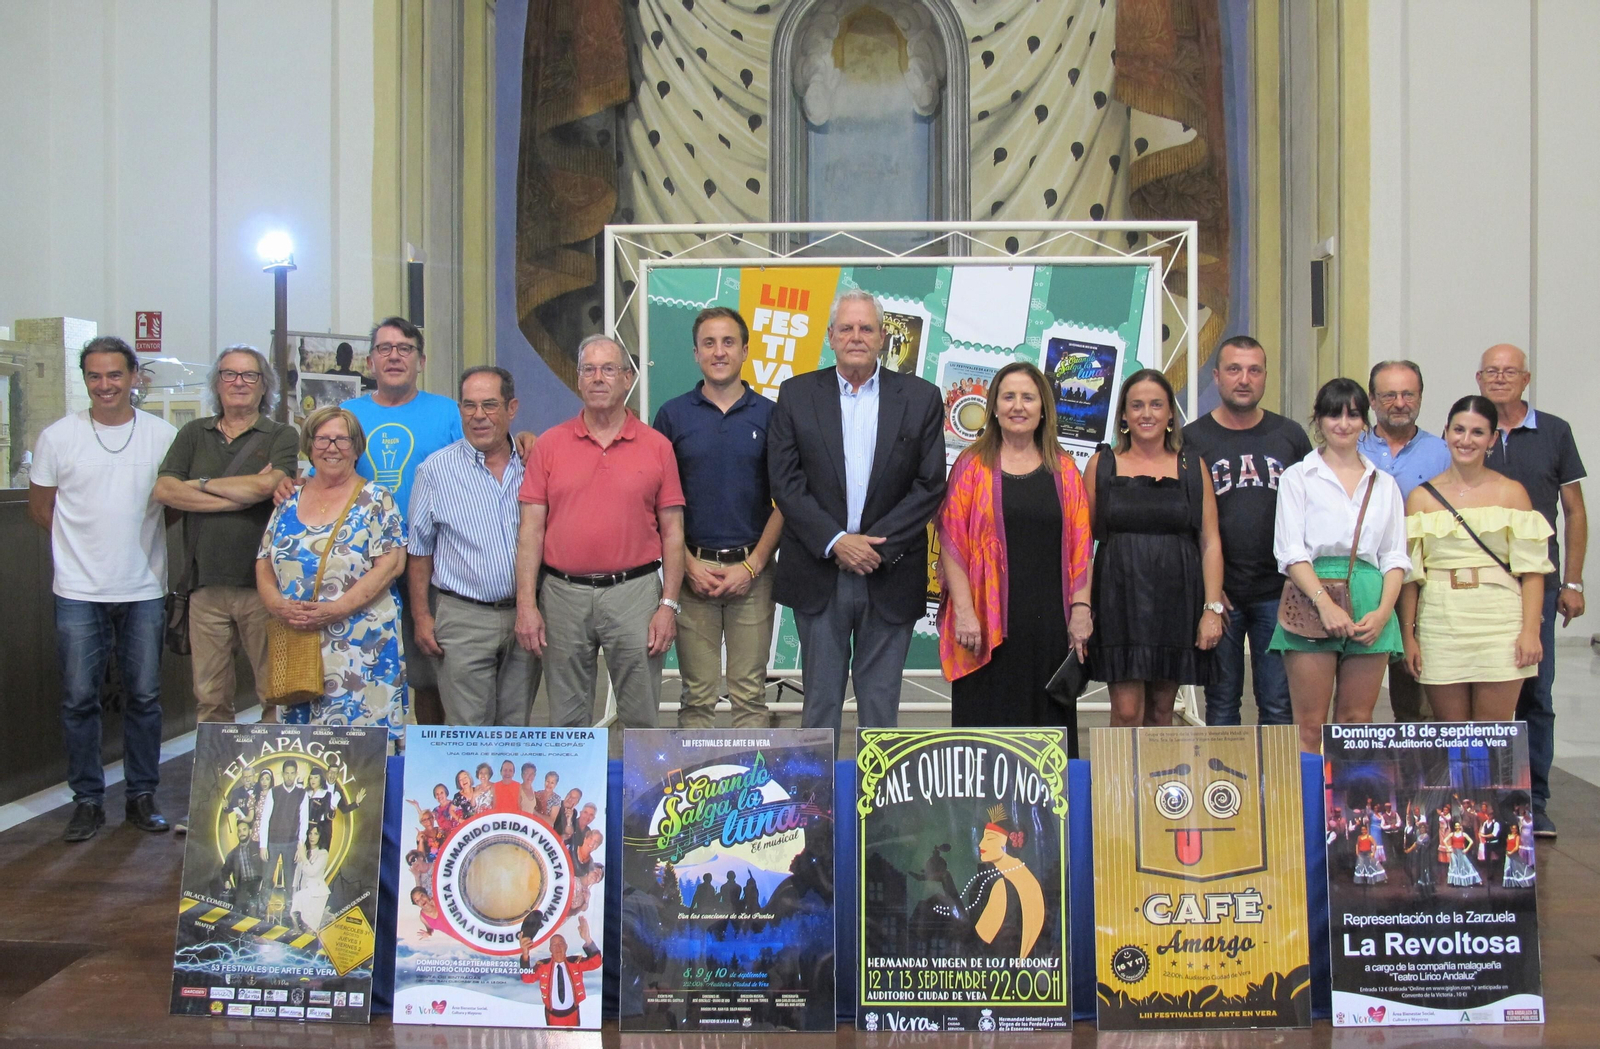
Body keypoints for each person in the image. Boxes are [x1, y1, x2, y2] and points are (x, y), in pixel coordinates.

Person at [766, 289, 945, 734]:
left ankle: (878, 805)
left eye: (867, 328)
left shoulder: (921, 398)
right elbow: (785, 483)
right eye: (846, 328)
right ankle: (816, 802)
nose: (856, 336)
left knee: (881, 711)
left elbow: (929, 486)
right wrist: (837, 541)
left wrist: (874, 548)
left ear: (884, 338)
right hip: (818, 572)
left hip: (891, 571)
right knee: (820, 707)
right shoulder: (796, 394)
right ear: (830, 336)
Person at [29, 335, 178, 841]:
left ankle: (141, 796)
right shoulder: (57, 438)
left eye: (115, 375)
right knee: (77, 699)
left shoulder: (162, 435)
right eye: (94, 376)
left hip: (142, 587)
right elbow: (41, 509)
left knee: (145, 697)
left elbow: (173, 504)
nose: (105, 385)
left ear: (135, 377)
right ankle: (88, 800)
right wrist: (84, 550)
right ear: (85, 379)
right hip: (77, 589)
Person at [515, 335, 686, 728]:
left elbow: (674, 533)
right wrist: (527, 604)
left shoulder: (657, 447)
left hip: (635, 594)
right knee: (567, 722)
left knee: (641, 718)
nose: (598, 378)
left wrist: (668, 606)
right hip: (562, 595)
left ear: (628, 378)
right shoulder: (550, 445)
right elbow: (530, 532)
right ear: (578, 380)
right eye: (588, 369)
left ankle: (638, 791)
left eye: (608, 369)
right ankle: (576, 790)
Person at [937, 362, 1093, 736]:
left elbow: (1082, 548)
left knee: (1046, 728)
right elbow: (951, 542)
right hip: (985, 625)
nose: (1018, 406)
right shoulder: (971, 465)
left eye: (1028, 397)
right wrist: (964, 613)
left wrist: (1081, 611)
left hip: (1050, 626)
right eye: (1008, 397)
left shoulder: (1066, 470)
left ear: (1043, 408)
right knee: (985, 726)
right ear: (993, 407)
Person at [653, 307, 784, 729]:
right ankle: (697, 791)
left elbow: (786, 502)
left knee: (750, 694)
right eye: (709, 343)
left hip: (754, 574)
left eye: (728, 342)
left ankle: (752, 793)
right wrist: (686, 566)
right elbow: (658, 504)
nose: (719, 351)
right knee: (696, 697)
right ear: (695, 353)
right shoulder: (672, 416)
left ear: (745, 350)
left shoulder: (771, 415)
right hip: (692, 574)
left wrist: (753, 565)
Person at [155, 346, 299, 724]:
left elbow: (271, 484)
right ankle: (216, 781)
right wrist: (237, 496)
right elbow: (166, 491)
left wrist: (198, 486)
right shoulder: (192, 434)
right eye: (229, 374)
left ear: (263, 385)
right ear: (216, 383)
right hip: (203, 589)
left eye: (249, 375)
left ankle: (272, 778)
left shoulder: (281, 434)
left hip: (264, 587)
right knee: (211, 698)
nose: (239, 383)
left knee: (275, 694)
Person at [1477, 344, 1587, 838]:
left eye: (1509, 372)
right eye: (1491, 371)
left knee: (1536, 693)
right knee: (1481, 691)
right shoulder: (1468, 427)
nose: (1500, 379)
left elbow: (1575, 511)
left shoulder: (1555, 431)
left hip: (1536, 582)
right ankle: (1485, 796)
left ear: (1525, 378)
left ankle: (1533, 800)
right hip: (1479, 586)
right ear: (1480, 378)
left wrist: (1574, 581)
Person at [1270, 379, 1409, 753]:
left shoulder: (1384, 483)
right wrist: (1324, 603)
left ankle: (1346, 812)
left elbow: (1395, 556)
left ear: (1365, 421)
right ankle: (1308, 809)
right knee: (1310, 726)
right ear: (1319, 420)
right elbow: (1290, 552)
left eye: (1352, 414)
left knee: (1356, 723)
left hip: (1370, 592)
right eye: (1334, 414)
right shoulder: (1299, 477)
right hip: (1311, 592)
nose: (1343, 423)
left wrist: (1383, 612)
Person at [257, 407, 409, 746]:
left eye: (342, 439)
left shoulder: (376, 500)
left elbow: (391, 565)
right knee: (302, 747)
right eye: (322, 439)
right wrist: (278, 606)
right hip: (299, 645)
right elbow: (264, 562)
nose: (332, 447)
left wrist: (336, 610)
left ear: (356, 448)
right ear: (309, 447)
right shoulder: (287, 500)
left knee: (363, 748)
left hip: (363, 647)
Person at [1183, 336, 1312, 727]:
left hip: (1278, 592)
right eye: (1234, 370)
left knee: (1277, 704)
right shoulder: (1192, 439)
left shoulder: (1289, 436)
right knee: (1221, 704)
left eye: (1254, 370)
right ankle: (1225, 787)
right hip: (1221, 596)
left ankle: (1275, 789)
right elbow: (1183, 518)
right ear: (1217, 377)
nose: (1244, 379)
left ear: (1265, 377)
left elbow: (1310, 511)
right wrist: (1207, 588)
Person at [1399, 396, 1553, 721]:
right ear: (1446, 432)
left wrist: (1529, 631)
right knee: (1452, 737)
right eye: (1458, 430)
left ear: (1492, 439)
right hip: (1440, 622)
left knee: (1493, 739)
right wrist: (1408, 636)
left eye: (1477, 432)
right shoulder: (1420, 497)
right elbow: (1411, 576)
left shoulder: (1512, 493)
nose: (1466, 440)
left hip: (1500, 623)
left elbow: (1533, 571)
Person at [1085, 369, 1224, 726]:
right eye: (1137, 405)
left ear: (1170, 415)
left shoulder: (1193, 466)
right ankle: (1115, 784)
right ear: (1124, 416)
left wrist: (1212, 610)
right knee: (1128, 711)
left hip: (1176, 602)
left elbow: (1210, 542)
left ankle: (1158, 783)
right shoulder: (1102, 465)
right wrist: (1081, 607)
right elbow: (1082, 546)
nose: (1147, 413)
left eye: (1156, 405)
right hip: (1118, 602)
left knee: (1162, 712)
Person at [407, 366, 541, 726]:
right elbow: (419, 551)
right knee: (468, 732)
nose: (478, 416)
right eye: (468, 406)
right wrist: (422, 618)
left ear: (512, 409)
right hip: (462, 618)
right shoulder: (435, 471)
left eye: (489, 405)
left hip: (526, 616)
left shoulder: (537, 464)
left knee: (516, 728)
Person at [1358, 360, 1452, 724]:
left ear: (1420, 398)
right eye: (1389, 394)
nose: (1399, 402)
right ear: (1372, 399)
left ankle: (1418, 778)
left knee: (1417, 698)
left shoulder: (1442, 453)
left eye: (1408, 394)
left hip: (1419, 585)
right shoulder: (1352, 445)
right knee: (1351, 700)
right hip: (1362, 581)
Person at [520, 917, 602, 1027]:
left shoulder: (575, 963)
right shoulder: (542, 966)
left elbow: (596, 962)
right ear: (550, 949)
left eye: (561, 943)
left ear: (566, 946)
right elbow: (527, 978)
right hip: (553, 1016)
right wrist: (525, 954)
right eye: (554, 945)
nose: (558, 947)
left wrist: (587, 939)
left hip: (572, 1013)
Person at [257, 759, 309, 905]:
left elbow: (304, 821)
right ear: (282, 774)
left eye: (292, 774)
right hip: (272, 843)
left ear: (296, 774)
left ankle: (289, 911)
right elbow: (265, 819)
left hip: (291, 843)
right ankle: (262, 909)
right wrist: (263, 846)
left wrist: (300, 846)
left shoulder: (301, 794)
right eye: (287, 773)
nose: (289, 777)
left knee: (290, 879)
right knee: (267, 877)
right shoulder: (274, 792)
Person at [292, 823, 333, 930]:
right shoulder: (304, 852)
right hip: (304, 891)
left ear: (320, 836)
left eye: (315, 834)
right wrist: (294, 889)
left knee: (311, 926)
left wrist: (303, 857)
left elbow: (312, 872)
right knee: (297, 916)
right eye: (310, 834)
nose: (312, 837)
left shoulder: (323, 854)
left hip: (317, 893)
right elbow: (297, 873)